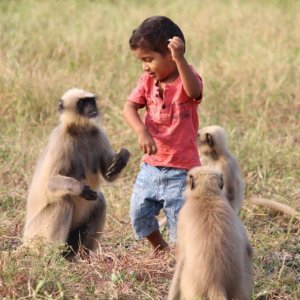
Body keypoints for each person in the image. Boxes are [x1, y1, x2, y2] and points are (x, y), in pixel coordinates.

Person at [123, 16, 203, 252]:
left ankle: (182, 259)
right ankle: (160, 248)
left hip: (181, 169)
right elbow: (129, 107)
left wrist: (181, 60)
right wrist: (141, 131)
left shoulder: (187, 77)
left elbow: (194, 91)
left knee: (180, 222)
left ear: (171, 54)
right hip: (151, 166)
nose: (145, 66)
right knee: (139, 212)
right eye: (141, 61)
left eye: (149, 59)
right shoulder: (147, 80)